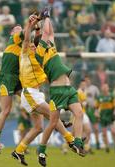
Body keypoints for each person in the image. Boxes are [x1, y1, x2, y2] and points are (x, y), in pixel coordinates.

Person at [11, 14, 77, 166]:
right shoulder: (25, 52)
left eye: (35, 45)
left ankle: (19, 150)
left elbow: (39, 37)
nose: (33, 46)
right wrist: (31, 24)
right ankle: (70, 140)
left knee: (39, 127)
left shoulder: (39, 59)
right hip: (29, 94)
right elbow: (28, 38)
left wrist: (39, 27)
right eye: (32, 45)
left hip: (35, 94)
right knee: (53, 116)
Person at [34, 10, 86, 166]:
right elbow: (47, 32)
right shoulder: (40, 53)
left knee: (79, 113)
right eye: (45, 40)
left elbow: (50, 33)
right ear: (39, 45)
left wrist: (44, 19)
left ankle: (77, 142)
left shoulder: (50, 47)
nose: (50, 40)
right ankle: (41, 149)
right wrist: (46, 17)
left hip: (68, 89)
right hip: (57, 91)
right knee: (52, 123)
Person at [0, 24, 24, 154]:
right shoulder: (15, 38)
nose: (19, 28)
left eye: (20, 27)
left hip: (17, 78)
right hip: (6, 78)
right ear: (12, 32)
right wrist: (35, 22)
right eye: (17, 27)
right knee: (6, 111)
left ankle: (57, 122)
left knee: (34, 101)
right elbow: (26, 32)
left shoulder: (24, 45)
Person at [95, 83, 115, 153]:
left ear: (108, 88)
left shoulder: (112, 96)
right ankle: (107, 147)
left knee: (113, 132)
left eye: (106, 87)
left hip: (111, 116)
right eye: (103, 87)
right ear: (102, 88)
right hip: (103, 116)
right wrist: (96, 114)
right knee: (104, 133)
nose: (105, 88)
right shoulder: (99, 97)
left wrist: (114, 113)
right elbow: (96, 108)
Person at [85, 75, 100, 149]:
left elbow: (98, 99)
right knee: (87, 129)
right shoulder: (83, 89)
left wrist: (97, 110)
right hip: (86, 110)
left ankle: (98, 144)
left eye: (88, 80)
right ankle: (87, 145)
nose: (87, 81)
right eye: (85, 80)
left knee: (96, 128)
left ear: (90, 80)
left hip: (93, 109)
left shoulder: (94, 88)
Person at [77, 80, 92, 153]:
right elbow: (78, 103)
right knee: (77, 133)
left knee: (87, 130)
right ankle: (65, 147)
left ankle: (85, 147)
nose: (83, 85)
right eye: (82, 84)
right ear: (80, 85)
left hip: (84, 113)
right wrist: (84, 104)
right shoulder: (78, 92)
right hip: (78, 113)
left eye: (84, 84)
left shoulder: (85, 92)